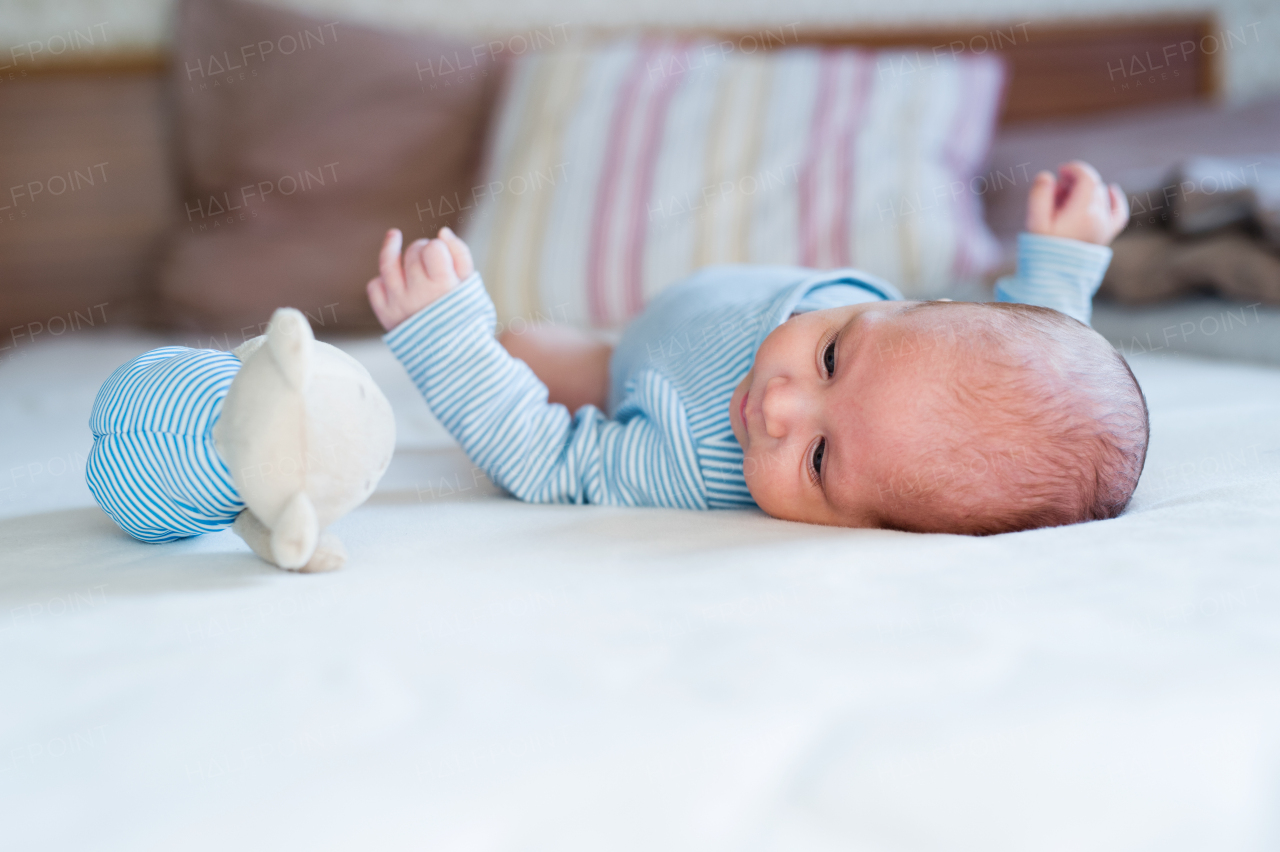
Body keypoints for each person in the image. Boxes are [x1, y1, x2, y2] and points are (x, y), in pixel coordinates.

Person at [365, 160, 1144, 535]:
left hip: (627, 371)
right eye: (832, 360)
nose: (776, 404)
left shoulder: (692, 464)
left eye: (816, 460)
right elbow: (1033, 347)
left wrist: (445, 337)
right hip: (686, 311)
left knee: (524, 349)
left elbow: (546, 458)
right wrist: (1064, 253)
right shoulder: (931, 347)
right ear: (921, 306)